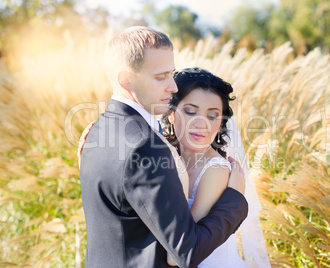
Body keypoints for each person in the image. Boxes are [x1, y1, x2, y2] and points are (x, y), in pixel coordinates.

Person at [79, 26, 248, 268]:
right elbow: (184, 252)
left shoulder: (97, 130)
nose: (173, 87)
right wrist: (235, 199)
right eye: (160, 77)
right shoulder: (146, 146)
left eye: (171, 74)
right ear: (126, 80)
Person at [161, 68, 271, 268]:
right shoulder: (166, 158)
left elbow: (179, 251)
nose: (201, 123)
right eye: (190, 111)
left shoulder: (216, 170)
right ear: (170, 114)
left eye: (212, 116)